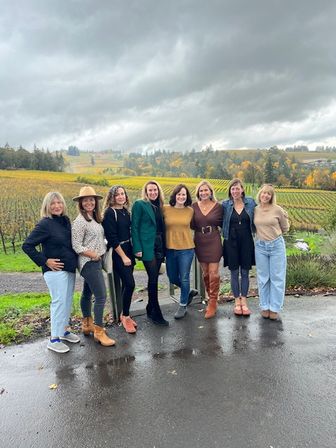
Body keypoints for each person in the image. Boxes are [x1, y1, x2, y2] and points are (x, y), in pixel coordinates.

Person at [22, 192, 79, 353]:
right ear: (47, 206)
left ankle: (64, 331)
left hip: (69, 268)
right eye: (52, 203)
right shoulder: (45, 224)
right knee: (58, 302)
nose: (56, 206)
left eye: (59, 202)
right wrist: (45, 261)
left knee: (67, 300)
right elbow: (27, 245)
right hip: (54, 271)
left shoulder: (66, 221)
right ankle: (54, 339)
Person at [72, 185, 115, 346]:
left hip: (95, 261)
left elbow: (96, 238)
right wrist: (94, 254)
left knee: (87, 293)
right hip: (89, 262)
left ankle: (87, 324)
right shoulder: (80, 221)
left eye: (92, 200)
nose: (89, 203)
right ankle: (99, 331)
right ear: (81, 203)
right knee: (102, 296)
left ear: (95, 202)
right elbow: (76, 245)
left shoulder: (95, 218)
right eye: (86, 200)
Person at [131, 180, 169, 326]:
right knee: (152, 278)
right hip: (147, 246)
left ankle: (149, 307)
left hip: (160, 245)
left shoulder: (160, 206)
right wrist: (137, 248)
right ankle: (156, 312)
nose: (153, 193)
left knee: (155, 278)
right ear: (146, 192)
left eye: (155, 190)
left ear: (158, 191)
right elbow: (134, 227)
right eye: (150, 190)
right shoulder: (140, 204)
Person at [102, 185, 137, 334]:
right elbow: (112, 237)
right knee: (130, 284)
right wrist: (123, 256)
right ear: (112, 197)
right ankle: (125, 316)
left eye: (123, 193)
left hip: (129, 250)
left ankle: (125, 314)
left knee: (125, 285)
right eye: (117, 195)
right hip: (119, 253)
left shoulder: (125, 211)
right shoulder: (110, 213)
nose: (121, 197)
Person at [254, 184, 290, 320]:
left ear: (271, 196)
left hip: (276, 246)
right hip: (260, 246)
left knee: (277, 278)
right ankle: (265, 306)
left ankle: (274, 308)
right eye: (263, 193)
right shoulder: (255, 210)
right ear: (260, 194)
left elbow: (285, 227)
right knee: (263, 278)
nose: (265, 195)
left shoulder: (278, 210)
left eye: (268, 194)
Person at [163, 184, 198, 319]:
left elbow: (197, 224)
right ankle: (188, 291)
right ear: (174, 195)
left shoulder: (190, 210)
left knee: (184, 277)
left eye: (184, 194)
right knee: (172, 277)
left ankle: (183, 305)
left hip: (186, 249)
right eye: (179, 194)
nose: (181, 197)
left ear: (187, 196)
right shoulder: (165, 209)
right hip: (170, 249)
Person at [222, 178, 256, 316]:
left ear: (242, 189)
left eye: (237, 188)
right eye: (233, 188)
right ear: (230, 191)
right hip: (231, 241)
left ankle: (244, 301)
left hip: (247, 241)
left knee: (245, 272)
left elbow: (263, 213)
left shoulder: (251, 203)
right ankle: (237, 301)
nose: (235, 191)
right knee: (234, 272)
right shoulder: (225, 205)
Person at [192, 180, 223, 319]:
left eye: (206, 190)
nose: (204, 193)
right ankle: (209, 295)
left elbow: (224, 222)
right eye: (201, 191)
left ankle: (213, 301)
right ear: (198, 193)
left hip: (214, 239)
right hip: (199, 240)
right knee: (205, 273)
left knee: (213, 273)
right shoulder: (193, 207)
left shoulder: (218, 207)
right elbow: (191, 224)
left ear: (211, 192)